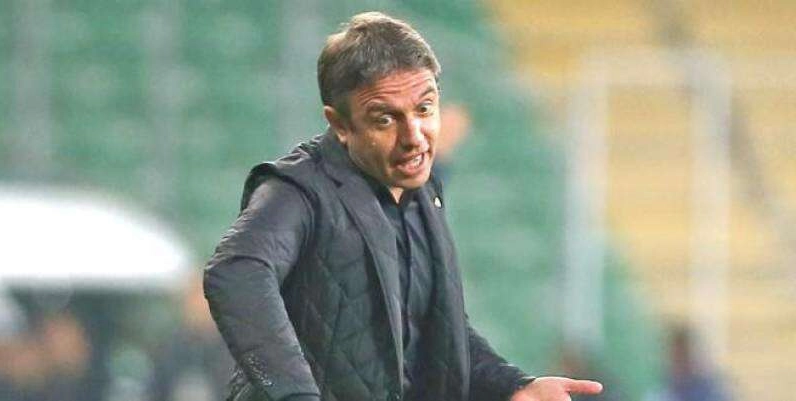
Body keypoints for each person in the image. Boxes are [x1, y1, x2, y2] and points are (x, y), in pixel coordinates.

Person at [203, 11, 603, 401]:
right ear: (340, 124)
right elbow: (235, 272)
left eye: (424, 109)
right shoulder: (299, 190)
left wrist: (512, 386)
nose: (414, 136)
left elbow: (439, 334)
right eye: (385, 120)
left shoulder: (424, 192)